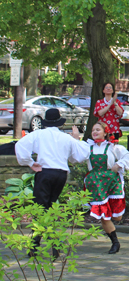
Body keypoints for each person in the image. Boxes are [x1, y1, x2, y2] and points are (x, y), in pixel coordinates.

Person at [15, 109, 90, 258]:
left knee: (40, 209)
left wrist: (30, 163)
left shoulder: (38, 135)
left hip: (45, 173)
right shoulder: (65, 138)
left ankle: (41, 245)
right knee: (48, 208)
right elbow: (81, 154)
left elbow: (20, 146)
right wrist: (76, 139)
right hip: (60, 174)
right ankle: (47, 245)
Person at [85, 122, 129, 254]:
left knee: (117, 217)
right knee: (104, 216)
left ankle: (111, 227)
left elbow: (128, 157)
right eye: (93, 130)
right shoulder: (87, 147)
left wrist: (119, 164)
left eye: (98, 130)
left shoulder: (113, 147)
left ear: (105, 132)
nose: (94, 132)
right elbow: (75, 156)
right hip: (96, 185)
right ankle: (115, 243)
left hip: (112, 183)